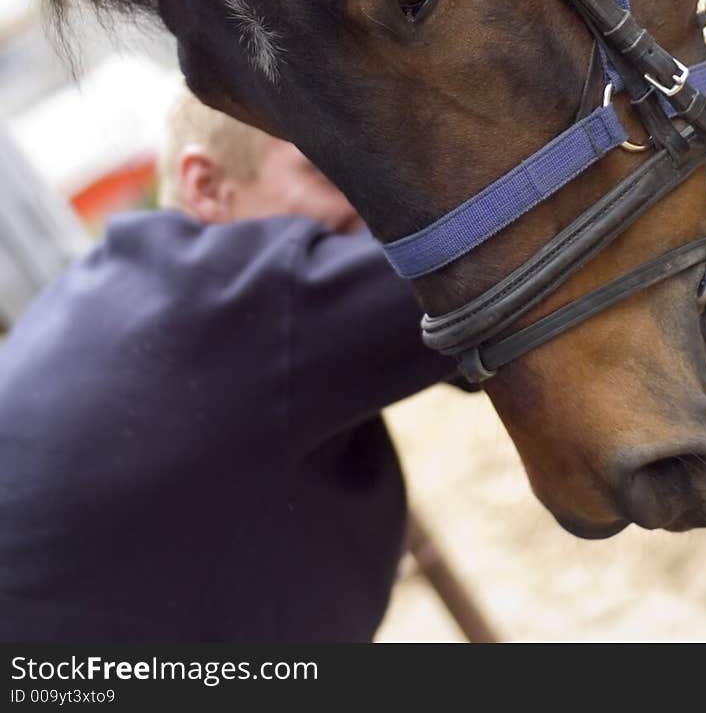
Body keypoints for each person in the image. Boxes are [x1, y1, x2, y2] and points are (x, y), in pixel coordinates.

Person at [0, 91, 455, 641]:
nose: (372, 198)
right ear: (207, 187)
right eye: (326, 169)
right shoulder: (228, 302)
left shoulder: (122, 298)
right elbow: (509, 244)